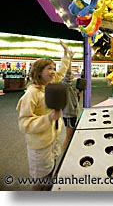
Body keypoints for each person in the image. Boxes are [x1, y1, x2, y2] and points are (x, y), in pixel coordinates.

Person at [16, 40, 72, 191]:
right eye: (49, 68)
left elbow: (62, 71)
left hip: (51, 141)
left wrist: (67, 55)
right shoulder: (32, 93)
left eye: (53, 68)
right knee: (40, 181)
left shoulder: (48, 86)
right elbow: (24, 123)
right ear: (39, 71)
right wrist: (49, 118)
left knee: (49, 177)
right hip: (39, 146)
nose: (53, 72)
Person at [61, 51, 80, 150]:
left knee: (71, 135)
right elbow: (68, 74)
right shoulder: (64, 84)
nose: (72, 75)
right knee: (69, 136)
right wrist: (70, 58)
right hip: (68, 114)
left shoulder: (69, 87)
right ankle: (64, 155)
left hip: (72, 113)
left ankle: (69, 151)